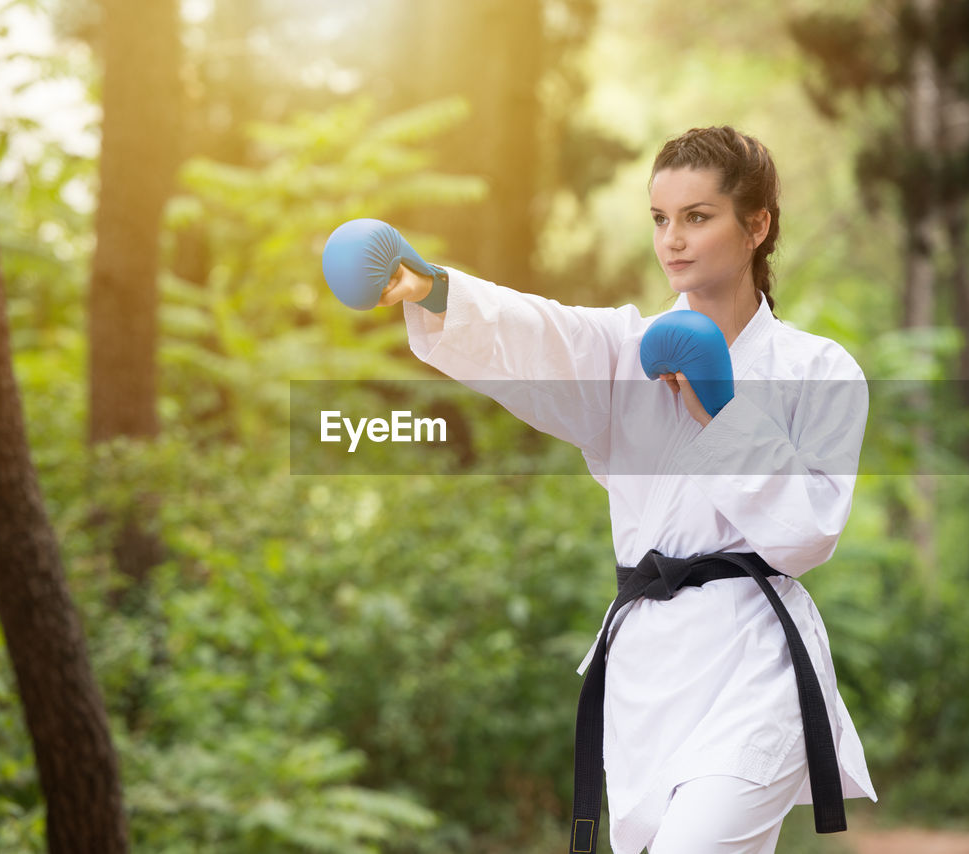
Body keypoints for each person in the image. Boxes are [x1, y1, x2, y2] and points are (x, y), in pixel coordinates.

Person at [374, 125, 876, 854]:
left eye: (697, 217)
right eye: (660, 219)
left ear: (756, 225)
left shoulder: (822, 370)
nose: (672, 239)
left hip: (755, 667)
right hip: (649, 673)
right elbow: (539, 334)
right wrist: (436, 288)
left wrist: (721, 413)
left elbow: (809, 534)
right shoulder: (626, 352)